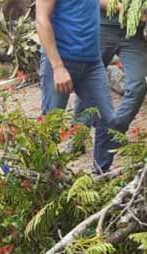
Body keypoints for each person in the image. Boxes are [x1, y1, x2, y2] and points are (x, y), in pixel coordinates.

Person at [36, 0, 120, 173]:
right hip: (61, 60)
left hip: (92, 62)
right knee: (51, 127)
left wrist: (124, 8)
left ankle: (100, 176)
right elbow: (41, 20)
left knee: (108, 121)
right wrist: (58, 67)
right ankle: (45, 180)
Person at [74, 0, 147, 137]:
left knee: (139, 82)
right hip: (102, 27)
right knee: (88, 81)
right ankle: (78, 135)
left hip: (134, 34)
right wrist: (126, 9)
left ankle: (114, 132)